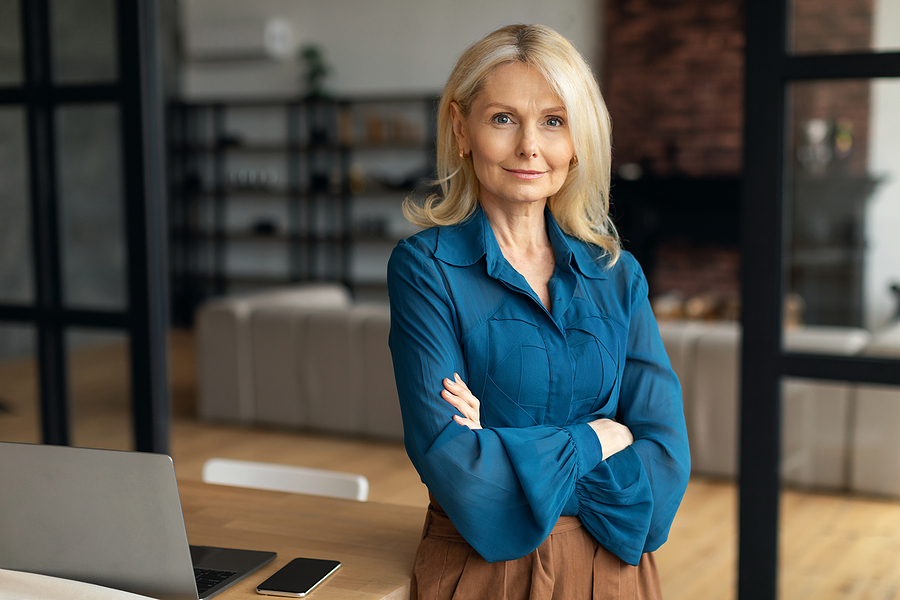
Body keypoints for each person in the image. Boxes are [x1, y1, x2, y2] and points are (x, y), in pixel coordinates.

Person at [387, 23, 690, 599]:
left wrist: (504, 444)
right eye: (503, 118)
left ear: (579, 139)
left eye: (554, 121)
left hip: (615, 573)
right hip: (483, 573)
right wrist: (600, 439)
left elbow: (665, 469)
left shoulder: (618, 276)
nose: (530, 146)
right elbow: (461, 474)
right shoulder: (424, 270)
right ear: (462, 127)